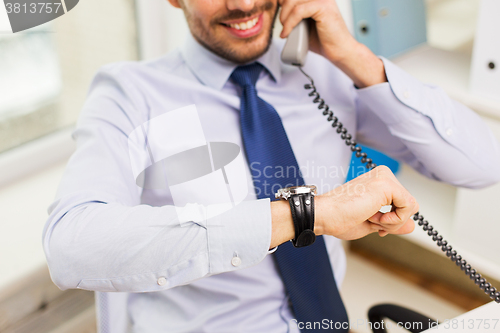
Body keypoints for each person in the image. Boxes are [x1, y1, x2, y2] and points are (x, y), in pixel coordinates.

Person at [42, 0, 500, 331]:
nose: (243, 4)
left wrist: (353, 57)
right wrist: (306, 215)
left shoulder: (323, 74)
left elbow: (482, 166)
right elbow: (71, 245)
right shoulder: (130, 94)